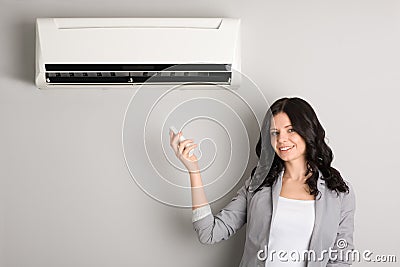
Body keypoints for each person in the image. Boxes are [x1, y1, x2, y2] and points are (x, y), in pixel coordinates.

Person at [169, 97, 355, 267]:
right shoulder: (258, 184)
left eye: (290, 130)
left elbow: (341, 258)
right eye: (275, 132)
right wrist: (194, 171)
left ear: (307, 131)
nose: (282, 139)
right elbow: (209, 233)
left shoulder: (338, 193)